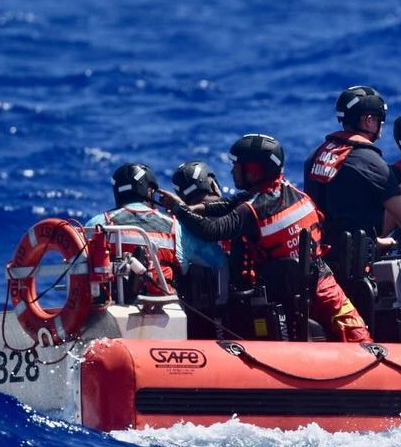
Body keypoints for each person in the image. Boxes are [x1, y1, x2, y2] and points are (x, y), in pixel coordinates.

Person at [156, 134, 371, 342]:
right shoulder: (287, 191)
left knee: (358, 339)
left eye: (237, 165)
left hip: (298, 291)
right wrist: (194, 209)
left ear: (253, 171)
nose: (232, 171)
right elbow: (231, 203)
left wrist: (178, 209)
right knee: (359, 334)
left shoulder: (253, 210)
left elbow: (211, 230)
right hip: (320, 282)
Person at [303, 86, 401, 277]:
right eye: (379, 120)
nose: (381, 126)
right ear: (369, 121)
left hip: (320, 262)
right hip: (354, 267)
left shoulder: (316, 156)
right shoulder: (370, 162)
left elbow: (334, 215)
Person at [85, 163, 196, 299]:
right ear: (149, 191)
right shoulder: (174, 225)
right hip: (163, 304)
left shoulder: (99, 223)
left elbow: (80, 265)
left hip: (112, 304)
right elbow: (211, 261)